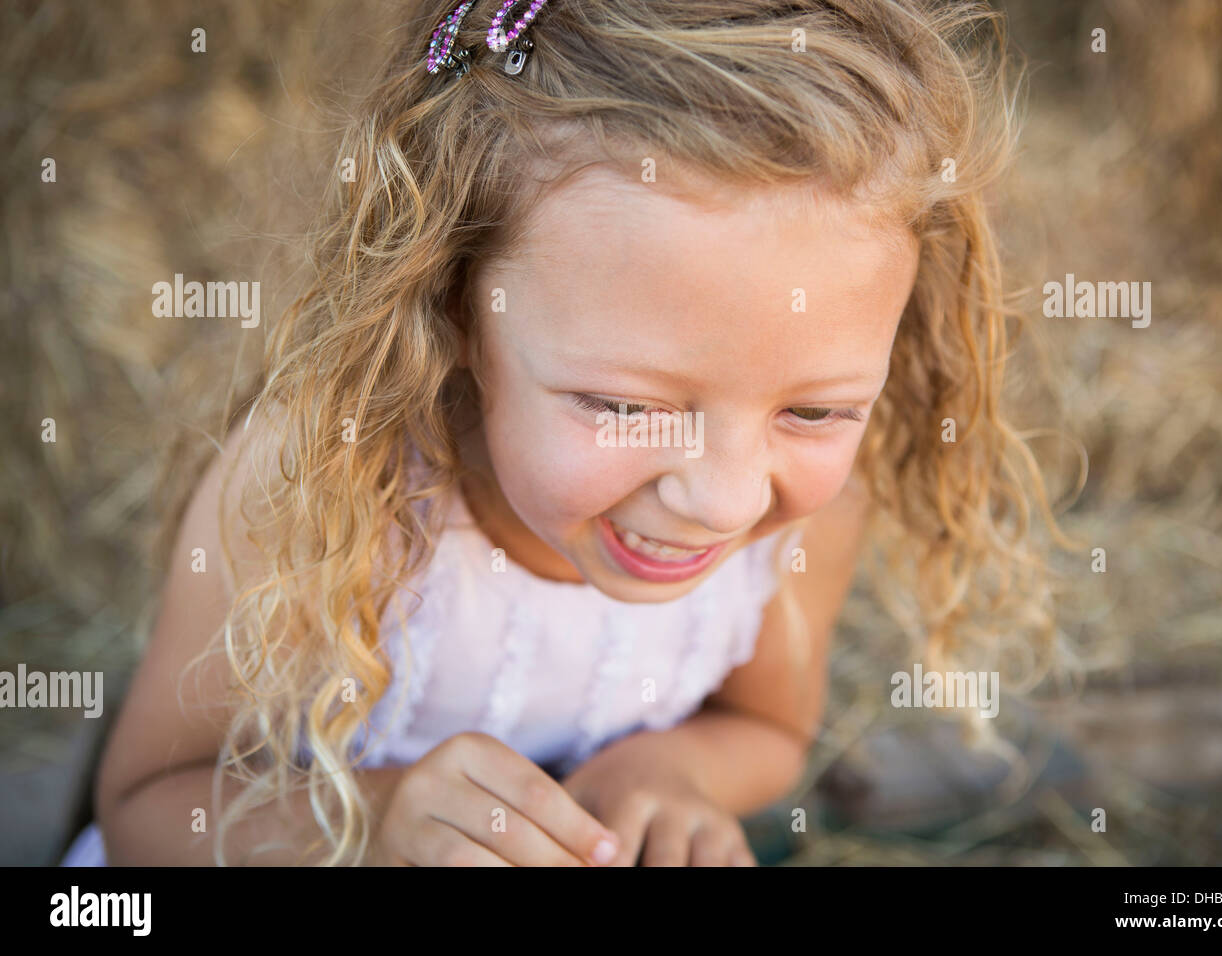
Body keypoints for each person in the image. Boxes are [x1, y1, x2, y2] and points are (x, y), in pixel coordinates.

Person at [62, 0, 1049, 866]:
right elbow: (148, 805)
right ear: (450, 306)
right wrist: (380, 816)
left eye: (815, 409)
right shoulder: (320, 477)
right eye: (624, 404)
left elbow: (769, 727)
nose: (725, 496)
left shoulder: (807, 516)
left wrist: (665, 772)